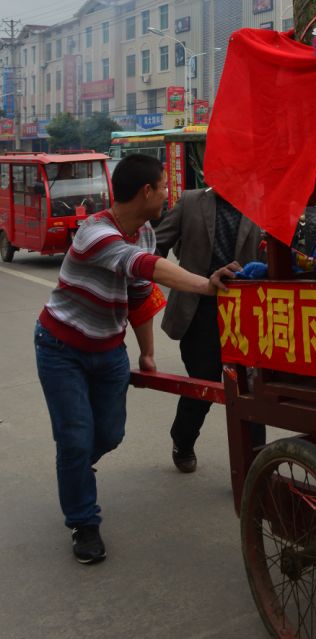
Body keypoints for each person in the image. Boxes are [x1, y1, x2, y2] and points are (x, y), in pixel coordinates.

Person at [35, 154, 241, 565]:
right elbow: (144, 266)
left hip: (109, 350)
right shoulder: (95, 233)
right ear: (147, 192)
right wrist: (207, 284)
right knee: (76, 437)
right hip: (62, 350)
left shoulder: (145, 232)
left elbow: (138, 296)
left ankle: (74, 469)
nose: (168, 194)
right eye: (164, 187)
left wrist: (146, 352)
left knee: (109, 435)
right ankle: (83, 522)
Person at [154, 185, 264, 472]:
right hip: (198, 310)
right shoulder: (190, 202)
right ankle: (183, 439)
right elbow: (155, 248)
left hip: (247, 311)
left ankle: (253, 465)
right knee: (203, 380)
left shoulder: (260, 201)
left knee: (250, 387)